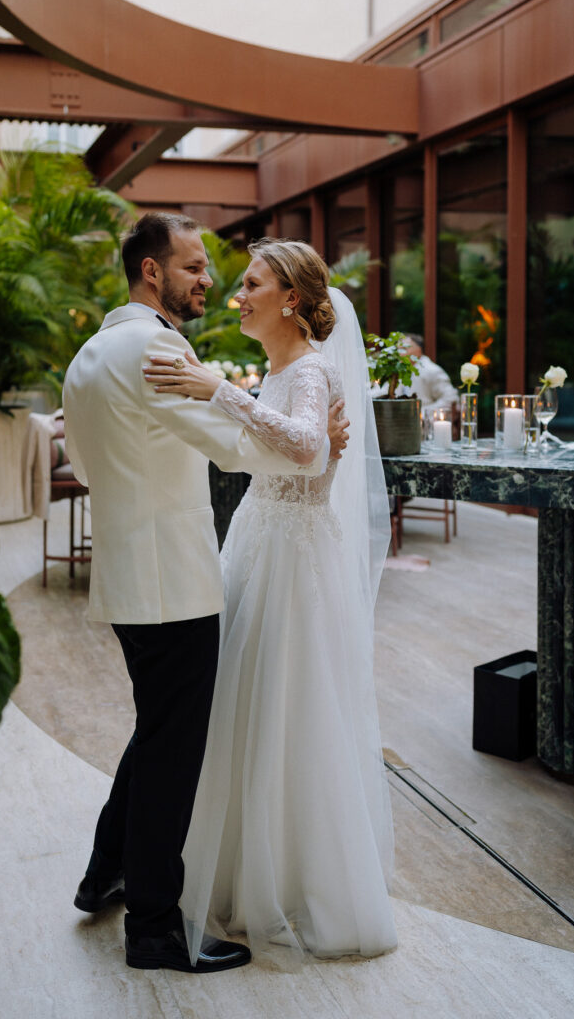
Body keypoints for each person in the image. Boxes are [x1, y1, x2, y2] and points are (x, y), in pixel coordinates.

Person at [62, 213, 349, 975]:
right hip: (174, 583)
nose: (209, 282)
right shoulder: (158, 345)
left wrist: (301, 435)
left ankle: (104, 873)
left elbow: (87, 468)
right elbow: (231, 449)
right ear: (152, 271)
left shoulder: (90, 352)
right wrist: (311, 446)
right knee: (172, 752)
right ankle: (155, 928)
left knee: (157, 730)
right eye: (193, 267)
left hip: (127, 575)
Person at [143, 238, 397, 962]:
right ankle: (232, 864)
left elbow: (309, 446)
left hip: (290, 559)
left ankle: (283, 876)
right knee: (243, 703)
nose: (236, 296)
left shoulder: (310, 367)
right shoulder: (281, 367)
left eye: (251, 284)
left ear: (291, 297)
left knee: (286, 704)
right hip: (258, 540)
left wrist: (215, 390)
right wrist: (233, 395)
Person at [374, 333, 457, 417]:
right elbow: (381, 392)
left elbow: (450, 398)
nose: (400, 353)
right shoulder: (396, 371)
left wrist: (424, 413)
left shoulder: (432, 371)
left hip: (424, 424)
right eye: (398, 350)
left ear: (419, 350)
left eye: (404, 349)